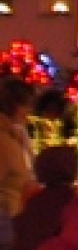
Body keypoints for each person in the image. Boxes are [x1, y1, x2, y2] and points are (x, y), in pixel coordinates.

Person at [0, 77, 35, 217]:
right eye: (27, 105)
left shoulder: (18, 135)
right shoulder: (3, 140)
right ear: (14, 105)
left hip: (17, 216)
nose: (29, 111)